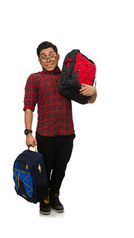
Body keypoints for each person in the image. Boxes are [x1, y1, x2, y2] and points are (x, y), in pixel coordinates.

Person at [23, 41, 98, 215]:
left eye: (51, 55)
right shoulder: (35, 79)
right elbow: (29, 107)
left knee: (61, 168)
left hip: (67, 132)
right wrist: (28, 132)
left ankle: (55, 195)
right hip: (45, 133)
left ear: (57, 57)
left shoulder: (68, 76)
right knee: (45, 169)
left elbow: (88, 100)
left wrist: (94, 91)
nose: (48, 59)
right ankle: (44, 198)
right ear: (39, 60)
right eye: (44, 57)